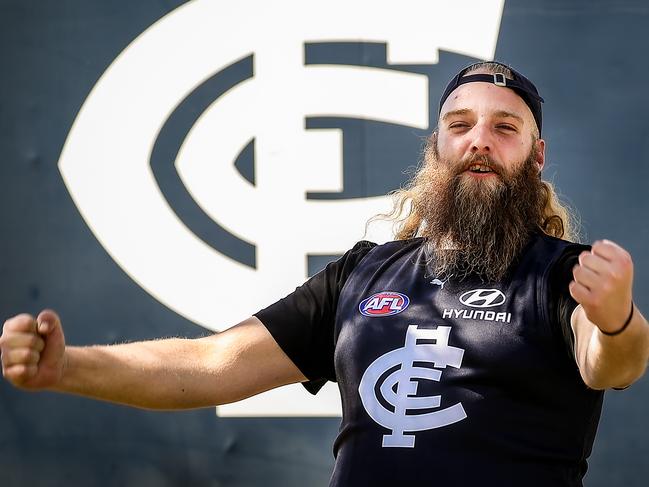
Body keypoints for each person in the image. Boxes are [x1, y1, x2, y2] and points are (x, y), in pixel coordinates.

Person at [2, 62, 648, 486]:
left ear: (535, 158)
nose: (479, 139)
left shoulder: (564, 272)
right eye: (459, 125)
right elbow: (208, 364)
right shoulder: (362, 274)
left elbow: (610, 364)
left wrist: (615, 316)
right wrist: (68, 368)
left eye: (503, 128)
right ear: (436, 148)